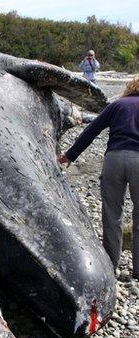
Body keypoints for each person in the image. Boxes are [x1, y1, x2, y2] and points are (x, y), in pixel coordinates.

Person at [58, 76, 139, 280]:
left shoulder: (117, 105)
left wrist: (71, 155)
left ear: (130, 87)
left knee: (112, 214)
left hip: (114, 160)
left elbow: (91, 130)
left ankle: (111, 266)